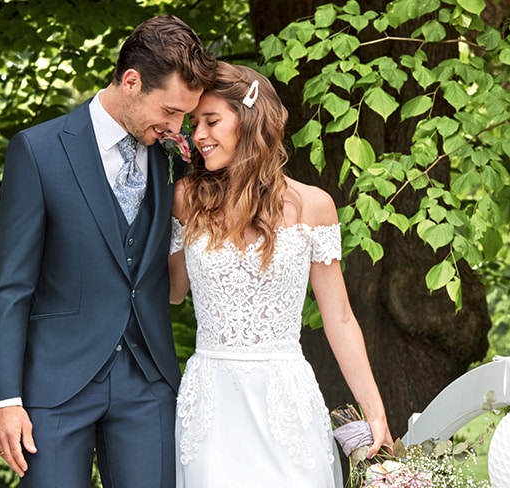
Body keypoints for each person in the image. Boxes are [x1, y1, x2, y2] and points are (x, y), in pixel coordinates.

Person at [0, 16, 217, 487]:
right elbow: (10, 286)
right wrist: (5, 399)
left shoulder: (173, 160)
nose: (177, 127)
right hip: (55, 384)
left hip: (148, 381)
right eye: (170, 111)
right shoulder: (38, 150)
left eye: (184, 116)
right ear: (131, 82)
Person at [168, 62, 392, 486]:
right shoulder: (185, 199)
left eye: (211, 121)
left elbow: (339, 317)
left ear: (250, 121)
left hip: (285, 396)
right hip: (212, 401)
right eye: (193, 123)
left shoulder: (314, 206)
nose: (198, 136)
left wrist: (374, 411)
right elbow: (173, 292)